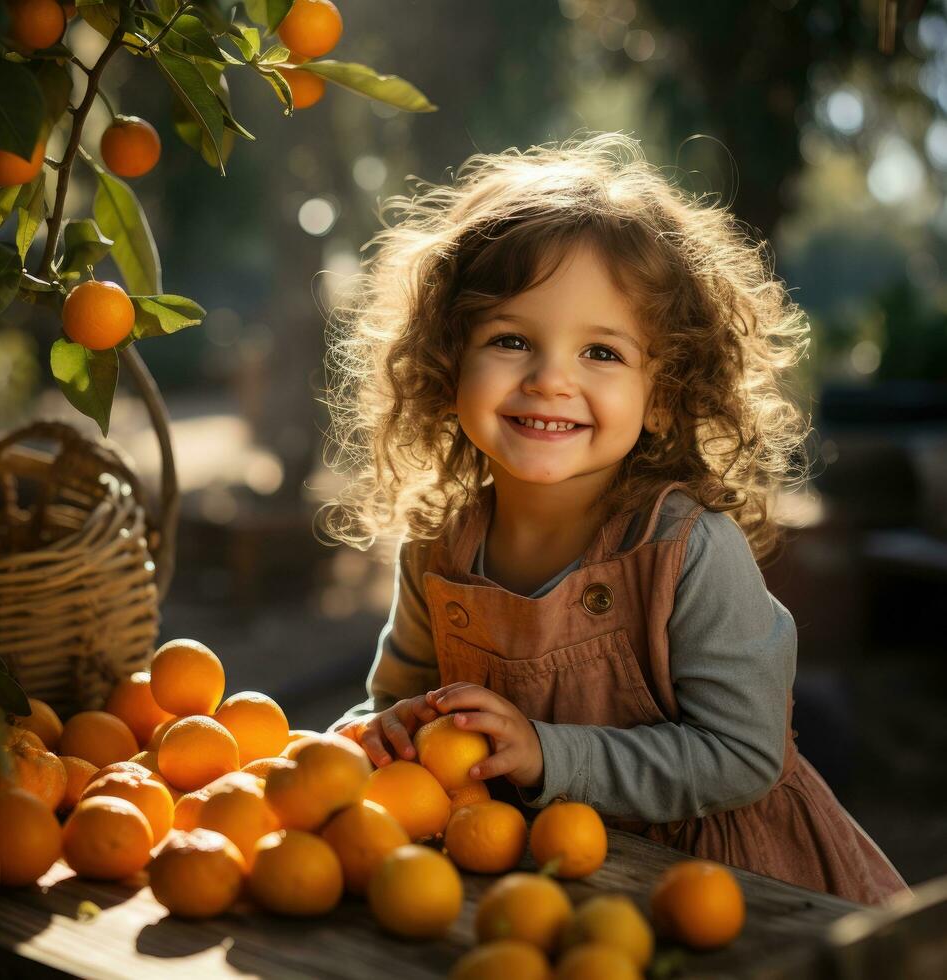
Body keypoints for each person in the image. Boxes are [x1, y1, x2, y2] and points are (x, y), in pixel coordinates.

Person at [316, 132, 909, 906]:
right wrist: (376, 731)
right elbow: (395, 700)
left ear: (663, 393)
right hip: (528, 882)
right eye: (510, 339)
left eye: (601, 353)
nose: (550, 378)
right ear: (445, 363)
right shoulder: (440, 547)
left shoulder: (687, 552)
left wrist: (546, 755)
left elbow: (742, 754)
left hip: (725, 886)